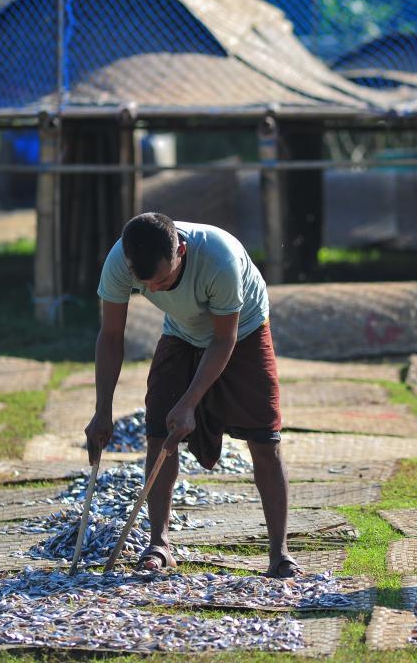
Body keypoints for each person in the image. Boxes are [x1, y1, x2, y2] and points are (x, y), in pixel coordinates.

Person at [85, 212, 298, 577]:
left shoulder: (220, 260)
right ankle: (159, 544)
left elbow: (223, 339)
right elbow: (110, 336)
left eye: (164, 281)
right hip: (181, 332)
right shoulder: (121, 260)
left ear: (181, 250)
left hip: (242, 329)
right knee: (158, 432)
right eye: (145, 284)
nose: (155, 290)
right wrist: (102, 410)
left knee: (265, 438)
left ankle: (279, 553)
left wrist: (189, 403)